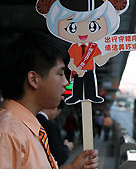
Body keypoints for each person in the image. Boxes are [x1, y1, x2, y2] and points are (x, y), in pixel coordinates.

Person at [0, 31, 99, 169]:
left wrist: (72, 167)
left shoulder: (27, 127)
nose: (65, 82)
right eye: (60, 73)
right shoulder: (7, 134)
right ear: (34, 79)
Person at [37, 101, 74, 167]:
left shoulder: (32, 118)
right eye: (59, 112)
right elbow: (57, 157)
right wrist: (67, 147)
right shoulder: (50, 125)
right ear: (55, 108)